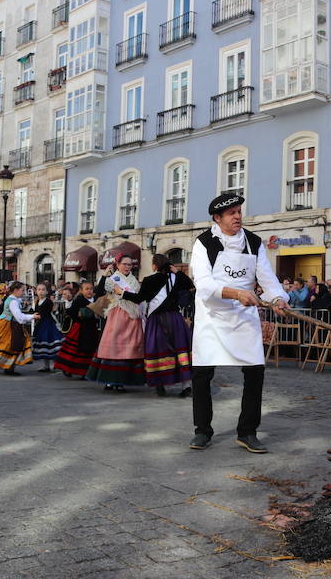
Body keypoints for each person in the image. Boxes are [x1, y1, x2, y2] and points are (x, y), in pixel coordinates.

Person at [188, 194, 290, 454]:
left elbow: (266, 278)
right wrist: (236, 293)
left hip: (244, 317)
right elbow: (204, 283)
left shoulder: (254, 242)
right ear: (217, 218)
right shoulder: (203, 243)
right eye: (231, 213)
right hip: (211, 317)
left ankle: (247, 432)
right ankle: (202, 431)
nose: (237, 216)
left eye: (239, 211)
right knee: (202, 375)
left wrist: (278, 298)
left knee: (255, 372)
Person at [114, 253, 195, 397]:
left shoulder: (149, 280)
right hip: (175, 318)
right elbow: (190, 285)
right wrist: (177, 272)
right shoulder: (176, 278)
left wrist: (122, 293)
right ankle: (186, 385)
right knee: (180, 350)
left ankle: (160, 384)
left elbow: (139, 299)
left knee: (158, 351)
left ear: (154, 266)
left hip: (157, 320)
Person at [87, 255, 147, 391]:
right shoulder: (112, 279)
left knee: (129, 349)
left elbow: (139, 298)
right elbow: (98, 292)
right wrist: (104, 275)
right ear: (117, 264)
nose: (127, 267)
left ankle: (121, 380)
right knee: (114, 347)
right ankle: (109, 380)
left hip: (132, 318)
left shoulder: (134, 281)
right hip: (117, 316)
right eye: (125, 264)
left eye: (130, 265)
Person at [0, 281, 39, 375]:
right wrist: (32, 316)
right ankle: (7, 367)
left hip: (6, 324)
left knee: (5, 344)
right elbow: (19, 316)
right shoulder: (13, 301)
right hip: (9, 326)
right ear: (16, 290)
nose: (24, 292)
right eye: (22, 290)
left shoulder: (13, 299)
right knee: (11, 345)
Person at [53, 281, 100, 378]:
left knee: (89, 349)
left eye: (91, 289)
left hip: (91, 329)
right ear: (81, 291)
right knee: (75, 350)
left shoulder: (95, 299)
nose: (89, 291)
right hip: (80, 329)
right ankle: (68, 368)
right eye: (86, 289)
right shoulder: (79, 300)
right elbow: (71, 312)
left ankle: (85, 371)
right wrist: (80, 315)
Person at [31, 283, 62, 372]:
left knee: (50, 343)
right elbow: (36, 311)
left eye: (43, 290)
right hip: (40, 325)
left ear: (46, 291)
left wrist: (34, 314)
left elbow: (43, 313)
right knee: (43, 344)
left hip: (48, 324)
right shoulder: (36, 301)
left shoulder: (48, 301)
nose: (41, 291)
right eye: (39, 289)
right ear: (36, 291)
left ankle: (55, 364)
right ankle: (46, 365)